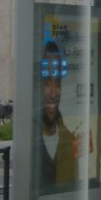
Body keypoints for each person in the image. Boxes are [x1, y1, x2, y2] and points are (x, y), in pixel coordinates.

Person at [40, 41, 76, 189]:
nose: (54, 92)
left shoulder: (69, 140)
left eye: (58, 83)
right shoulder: (28, 137)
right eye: (47, 82)